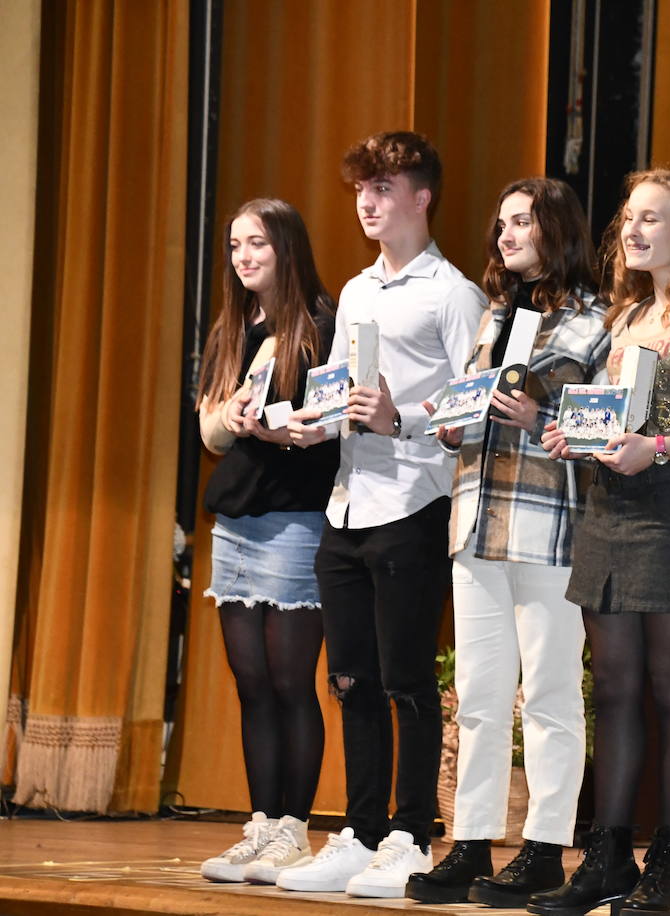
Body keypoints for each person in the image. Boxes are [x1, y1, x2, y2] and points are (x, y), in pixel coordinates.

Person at [532, 169, 670, 916]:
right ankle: (608, 855)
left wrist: (656, 448)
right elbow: (613, 417)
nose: (632, 231)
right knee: (616, 688)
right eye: (628, 217)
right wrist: (578, 434)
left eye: (651, 218)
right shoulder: (625, 318)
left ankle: (669, 861)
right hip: (611, 507)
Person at [278, 131, 485, 898]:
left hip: (414, 501)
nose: (367, 202)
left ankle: (409, 834)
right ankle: (358, 829)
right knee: (353, 679)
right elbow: (339, 388)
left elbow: (475, 401)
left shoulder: (454, 293)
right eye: (361, 189)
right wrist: (310, 420)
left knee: (406, 681)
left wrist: (403, 420)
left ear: (422, 197)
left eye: (384, 188)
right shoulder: (359, 290)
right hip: (348, 502)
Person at [404, 177, 611, 906]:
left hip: (548, 525)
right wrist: (453, 418)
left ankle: (547, 848)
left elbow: (598, 425)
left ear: (558, 229)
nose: (506, 236)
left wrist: (543, 416)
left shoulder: (595, 320)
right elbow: (467, 403)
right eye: (500, 225)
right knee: (480, 696)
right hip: (476, 519)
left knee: (551, 694)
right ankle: (469, 843)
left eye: (521, 222)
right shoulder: (494, 315)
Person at [196, 198, 337, 885]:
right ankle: (259, 825)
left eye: (257, 243)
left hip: (294, 519)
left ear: (287, 246)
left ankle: (293, 830)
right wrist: (234, 415)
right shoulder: (232, 326)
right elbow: (209, 431)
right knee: (251, 682)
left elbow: (329, 423)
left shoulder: (319, 324)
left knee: (289, 680)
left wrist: (276, 426)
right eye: (234, 245)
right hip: (237, 522)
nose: (244, 256)